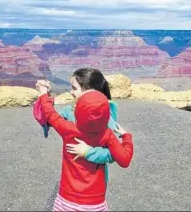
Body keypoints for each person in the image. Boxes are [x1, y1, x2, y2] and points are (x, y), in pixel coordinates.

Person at [36, 81, 134, 212]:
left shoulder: (67, 128)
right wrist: (126, 137)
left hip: (67, 199)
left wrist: (43, 93)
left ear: (78, 111)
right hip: (95, 202)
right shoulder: (107, 135)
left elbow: (50, 113)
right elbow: (125, 160)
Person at [38, 68, 120, 185]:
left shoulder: (105, 118)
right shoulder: (70, 111)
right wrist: (46, 94)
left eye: (74, 88)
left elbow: (113, 154)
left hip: (94, 182)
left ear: (90, 92)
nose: (71, 92)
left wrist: (88, 152)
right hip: (71, 178)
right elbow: (49, 119)